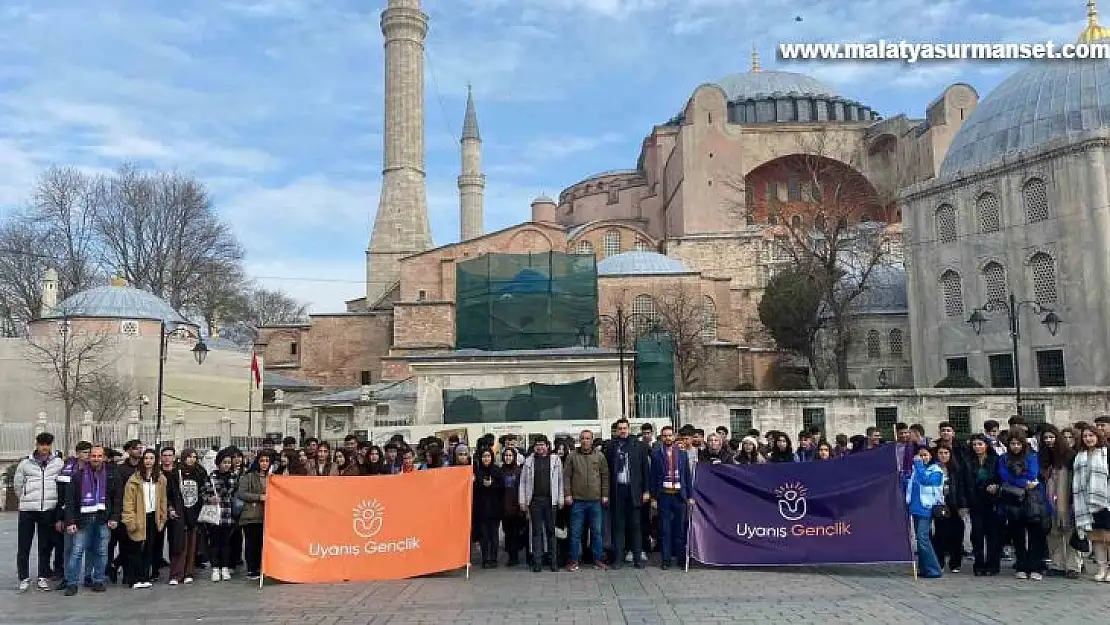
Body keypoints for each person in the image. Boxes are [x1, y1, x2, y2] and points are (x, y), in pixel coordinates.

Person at [62, 446, 122, 596]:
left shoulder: (111, 475)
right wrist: (70, 522)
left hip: (103, 519)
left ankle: (99, 580)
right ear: (89, 458)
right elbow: (69, 501)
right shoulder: (78, 476)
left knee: (101, 552)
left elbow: (117, 498)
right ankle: (72, 583)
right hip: (82, 519)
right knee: (77, 552)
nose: (96, 458)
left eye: (99, 456)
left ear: (104, 458)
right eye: (93, 456)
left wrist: (115, 517)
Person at [14, 432, 65, 592]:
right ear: (36, 445)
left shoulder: (58, 463)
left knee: (44, 545)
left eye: (48, 444)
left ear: (51, 445)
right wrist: (25, 498)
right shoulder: (25, 463)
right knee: (24, 546)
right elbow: (18, 485)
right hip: (28, 510)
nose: (44, 447)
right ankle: (23, 577)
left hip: (48, 510)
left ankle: (42, 576)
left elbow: (61, 484)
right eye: (42, 444)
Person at [998, 434, 1048, 580]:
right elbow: (1004, 476)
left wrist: (1019, 482)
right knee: (1017, 535)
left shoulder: (1031, 457)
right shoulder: (1004, 458)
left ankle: (1035, 566)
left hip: (1032, 499)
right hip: (1013, 500)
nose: (1016, 447)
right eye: (1013, 443)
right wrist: (1023, 483)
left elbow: (1033, 474)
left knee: (1035, 534)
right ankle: (1021, 565)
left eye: (1018, 444)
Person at [120, 449, 167, 589]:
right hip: (138, 516)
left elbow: (162, 499)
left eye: (151, 458)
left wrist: (162, 516)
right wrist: (129, 519)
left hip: (153, 516)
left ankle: (145, 576)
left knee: (149, 548)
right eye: (146, 458)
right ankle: (133, 578)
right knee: (136, 548)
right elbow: (128, 501)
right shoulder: (134, 479)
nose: (148, 461)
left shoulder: (161, 479)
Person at [607, 419, 650, 569]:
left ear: (629, 429)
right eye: (620, 428)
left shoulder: (639, 446)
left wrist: (646, 490)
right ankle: (618, 559)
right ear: (616, 430)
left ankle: (637, 559)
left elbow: (645, 469)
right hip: (618, 490)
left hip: (634, 491)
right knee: (618, 527)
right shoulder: (611, 446)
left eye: (625, 428)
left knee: (635, 526)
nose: (623, 431)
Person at [564, 429, 609, 572]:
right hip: (577, 501)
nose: (585, 441)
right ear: (579, 440)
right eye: (582, 438)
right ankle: (574, 560)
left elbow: (605, 476)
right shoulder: (572, 456)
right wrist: (568, 494)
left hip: (595, 501)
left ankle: (598, 560)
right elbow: (566, 477)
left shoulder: (600, 456)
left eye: (588, 438)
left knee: (597, 532)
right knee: (576, 532)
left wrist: (605, 494)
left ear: (592, 440)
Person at [650, 425, 692, 570]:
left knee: (680, 530)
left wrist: (690, 496)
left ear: (674, 437)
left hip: (679, 496)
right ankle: (666, 560)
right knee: (665, 530)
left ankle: (680, 559)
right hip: (664, 496)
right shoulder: (656, 454)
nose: (667, 438)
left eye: (670, 435)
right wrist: (653, 498)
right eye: (665, 435)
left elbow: (687, 476)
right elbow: (653, 477)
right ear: (661, 437)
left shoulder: (682, 454)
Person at [1072, 424, 1110, 581]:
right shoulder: (1079, 455)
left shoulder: (1106, 453)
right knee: (1095, 537)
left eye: (1091, 435)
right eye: (1085, 436)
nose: (1088, 439)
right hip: (1085, 502)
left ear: (1097, 436)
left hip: (1105, 501)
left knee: (1108, 537)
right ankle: (1101, 568)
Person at [519, 436, 563, 573]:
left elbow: (560, 481)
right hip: (535, 501)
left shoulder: (555, 460)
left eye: (542, 444)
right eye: (537, 445)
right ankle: (537, 562)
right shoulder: (529, 461)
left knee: (551, 532)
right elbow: (523, 482)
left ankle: (553, 562)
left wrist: (560, 498)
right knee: (536, 532)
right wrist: (523, 501)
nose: (540, 447)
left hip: (551, 501)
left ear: (547, 446)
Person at [167, 448, 206, 585]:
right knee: (178, 544)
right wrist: (170, 508)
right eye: (189, 456)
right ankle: (176, 574)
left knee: (192, 544)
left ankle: (189, 573)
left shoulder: (200, 473)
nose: (192, 459)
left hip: (194, 513)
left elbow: (204, 491)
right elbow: (169, 493)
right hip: (179, 513)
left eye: (194, 457)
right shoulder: (175, 473)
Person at [966, 435, 1002, 576]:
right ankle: (979, 563)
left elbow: (1000, 477)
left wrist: (996, 486)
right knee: (977, 533)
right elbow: (964, 481)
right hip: (975, 500)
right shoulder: (968, 461)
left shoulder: (995, 460)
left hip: (992, 500)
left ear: (986, 445)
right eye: (974, 444)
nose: (977, 447)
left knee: (993, 534)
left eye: (980, 444)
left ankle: (993, 564)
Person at [906, 446, 944, 578]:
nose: (923, 458)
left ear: (930, 456)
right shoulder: (915, 470)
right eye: (920, 456)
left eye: (925, 455)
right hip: (915, 507)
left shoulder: (936, 471)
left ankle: (934, 569)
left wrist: (918, 465)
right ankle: (924, 568)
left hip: (926, 507)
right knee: (920, 538)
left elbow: (926, 481)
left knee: (923, 538)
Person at [203, 449, 240, 582]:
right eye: (224, 462)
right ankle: (215, 569)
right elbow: (203, 494)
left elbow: (236, 494)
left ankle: (225, 568)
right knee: (214, 543)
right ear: (218, 463)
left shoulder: (234, 477)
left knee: (226, 543)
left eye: (229, 462)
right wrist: (210, 499)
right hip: (214, 515)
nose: (227, 465)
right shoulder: (210, 477)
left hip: (228, 514)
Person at [236, 451, 271, 580]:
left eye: (267, 461)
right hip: (251, 515)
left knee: (262, 543)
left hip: (267, 516)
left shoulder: (272, 477)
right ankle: (252, 569)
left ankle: (261, 567)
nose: (264, 464)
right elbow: (241, 493)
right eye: (262, 461)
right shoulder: (249, 476)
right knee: (252, 543)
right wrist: (259, 497)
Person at [473, 449, 503, 568]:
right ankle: (485, 558)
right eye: (484, 456)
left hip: (495, 508)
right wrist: (478, 483)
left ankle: (494, 558)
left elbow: (502, 488)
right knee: (483, 536)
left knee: (494, 535)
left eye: (488, 456)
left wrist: (492, 484)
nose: (486, 459)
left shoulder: (496, 470)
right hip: (481, 509)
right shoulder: (477, 471)